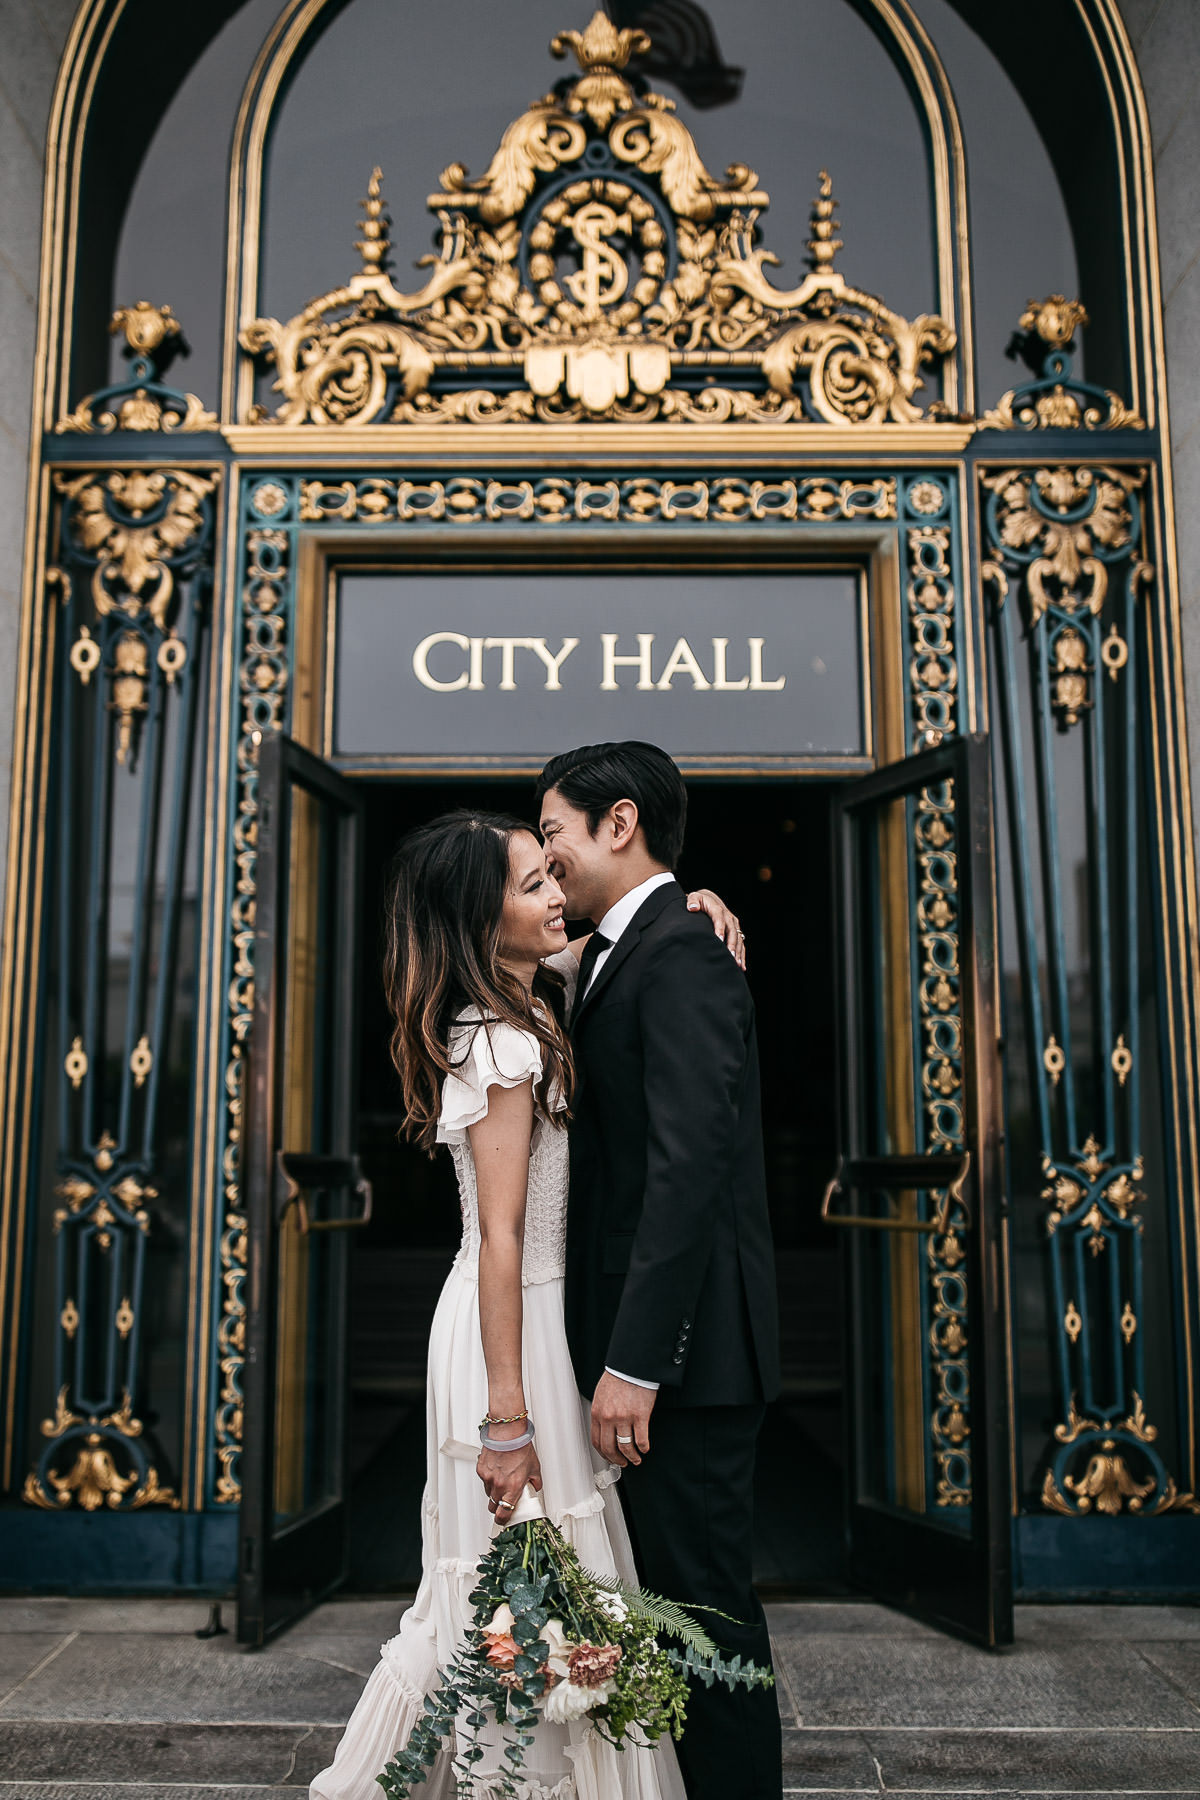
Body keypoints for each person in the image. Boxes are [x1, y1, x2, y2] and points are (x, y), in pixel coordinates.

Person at [310, 808, 743, 1800]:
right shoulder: (497, 1039)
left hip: (536, 1320)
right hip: (505, 1329)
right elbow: (500, 1236)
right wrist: (506, 1418)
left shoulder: (528, 993)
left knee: (527, 1586)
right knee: (513, 1592)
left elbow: (619, 934)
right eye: (532, 884)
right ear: (480, 918)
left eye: (555, 873)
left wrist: (690, 905)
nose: (558, 896)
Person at [537, 743, 783, 1800]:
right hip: (638, 1358)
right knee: (658, 1613)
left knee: (708, 1618)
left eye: (554, 834)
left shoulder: (682, 954)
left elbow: (690, 1171)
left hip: (688, 1364)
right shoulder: (618, 951)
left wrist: (636, 1361)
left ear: (618, 823)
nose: (547, 859)